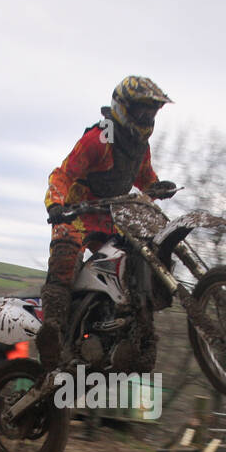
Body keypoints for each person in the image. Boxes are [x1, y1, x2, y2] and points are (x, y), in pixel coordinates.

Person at [37, 76, 177, 371]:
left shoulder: (139, 145)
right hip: (76, 213)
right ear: (123, 108)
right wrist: (56, 205)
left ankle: (139, 339)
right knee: (66, 251)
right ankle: (52, 330)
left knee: (138, 262)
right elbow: (63, 174)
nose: (146, 118)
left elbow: (143, 175)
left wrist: (156, 186)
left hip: (109, 218)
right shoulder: (99, 139)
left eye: (151, 113)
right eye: (141, 112)